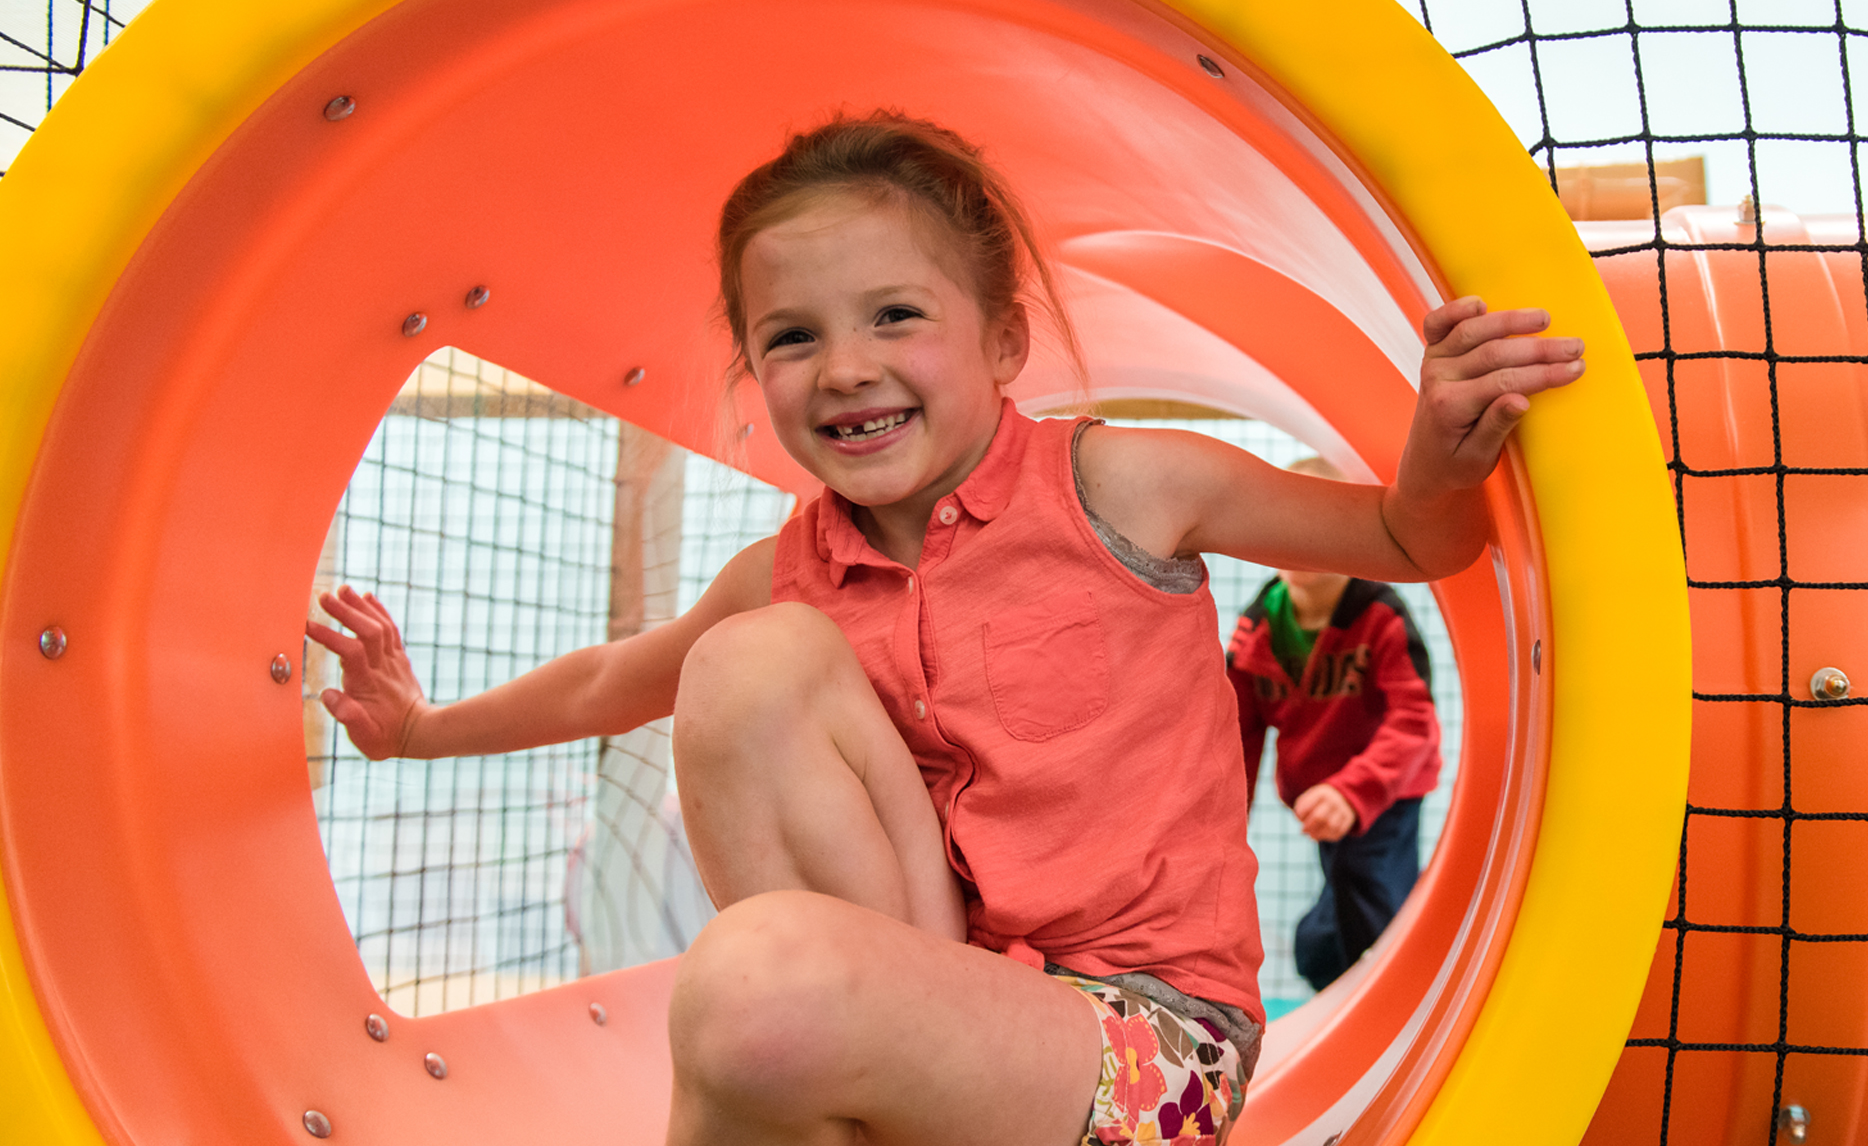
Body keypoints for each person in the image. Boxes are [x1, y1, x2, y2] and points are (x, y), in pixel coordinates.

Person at [308, 112, 1585, 1146]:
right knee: (743, 667)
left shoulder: (1124, 487)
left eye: (894, 316)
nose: (846, 366)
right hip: (938, 993)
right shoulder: (786, 573)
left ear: (1007, 339)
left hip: (1145, 1048)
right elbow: (606, 683)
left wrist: (1439, 448)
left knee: (753, 990)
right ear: (758, 379)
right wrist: (415, 729)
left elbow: (1415, 540)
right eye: (792, 338)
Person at [1230, 458, 1441, 992]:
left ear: (1351, 542)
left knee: (1371, 895)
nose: (1301, 545)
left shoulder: (1380, 618)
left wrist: (1354, 791)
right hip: (1317, 794)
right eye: (1287, 527)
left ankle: (1348, 975)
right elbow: (1238, 733)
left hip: (1386, 792)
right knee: (1346, 885)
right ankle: (1324, 958)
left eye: (1319, 529)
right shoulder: (1255, 631)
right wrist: (1227, 817)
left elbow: (1414, 724)